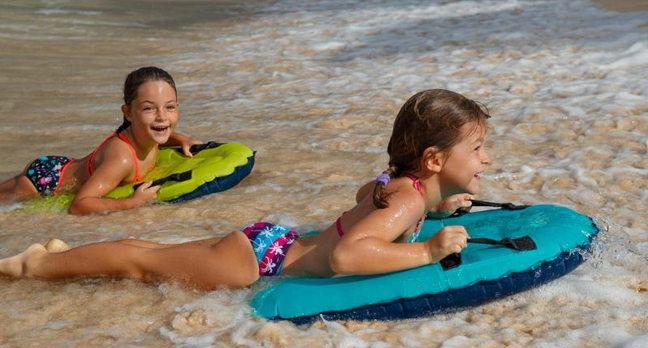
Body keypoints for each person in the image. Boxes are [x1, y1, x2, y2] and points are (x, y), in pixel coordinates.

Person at [0, 89, 491, 289]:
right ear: (433, 159)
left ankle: (64, 253)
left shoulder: (406, 189)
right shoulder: (408, 197)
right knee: (140, 263)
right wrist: (426, 251)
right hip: (261, 262)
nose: (485, 159)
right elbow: (348, 256)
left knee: (152, 251)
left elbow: (369, 196)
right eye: (477, 148)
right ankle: (35, 264)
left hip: (269, 244)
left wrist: (438, 206)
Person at [0, 66, 200, 215]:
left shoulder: (148, 134)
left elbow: (155, 134)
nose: (162, 117)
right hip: (46, 182)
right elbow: (79, 205)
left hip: (62, 166)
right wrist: (132, 203)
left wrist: (181, 138)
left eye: (170, 107)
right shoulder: (122, 160)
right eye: (149, 108)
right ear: (128, 113)